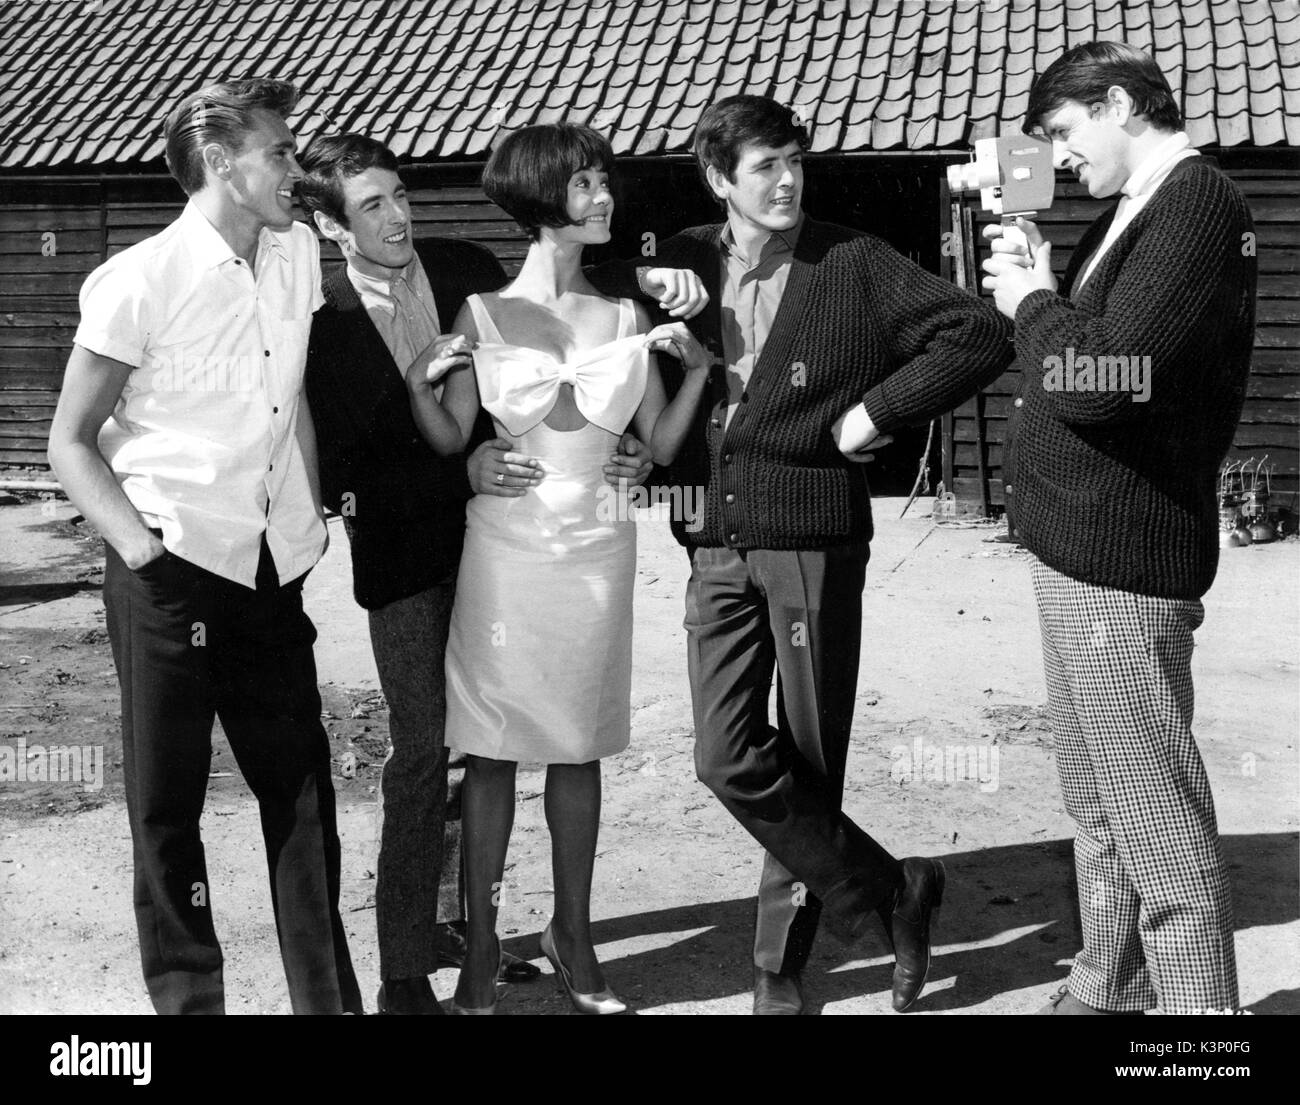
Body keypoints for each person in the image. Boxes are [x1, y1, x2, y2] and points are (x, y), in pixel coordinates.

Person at [589, 94, 1015, 1014]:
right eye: (764, 168)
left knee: (812, 758)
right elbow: (577, 321)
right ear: (718, 180)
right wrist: (624, 436)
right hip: (711, 537)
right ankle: (894, 889)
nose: (786, 183)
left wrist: (875, 415)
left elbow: (978, 331)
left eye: (795, 162)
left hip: (814, 535)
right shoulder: (675, 258)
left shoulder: (850, 261)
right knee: (726, 753)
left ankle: (779, 965)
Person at [297, 133, 651, 1012]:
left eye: (400, 195)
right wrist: (459, 471)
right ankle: (406, 961)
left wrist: (615, 446)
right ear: (332, 225)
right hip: (409, 558)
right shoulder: (318, 320)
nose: (397, 216)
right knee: (427, 752)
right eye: (372, 205)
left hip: (513, 540)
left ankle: (479, 924)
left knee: (504, 745)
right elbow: (344, 457)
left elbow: (527, 378)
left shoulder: (465, 267)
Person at [46, 79, 362, 1014]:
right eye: (279, 152)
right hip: (172, 573)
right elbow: (68, 439)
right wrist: (143, 554)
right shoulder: (137, 279)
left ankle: (326, 1001)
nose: (294, 169)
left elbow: (291, 391)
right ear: (220, 163)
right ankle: (189, 1003)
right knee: (167, 805)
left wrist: (308, 520)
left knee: (304, 792)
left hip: (270, 569)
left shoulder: (297, 254)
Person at [405, 122, 713, 1015]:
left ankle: (573, 936)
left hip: (600, 548)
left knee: (579, 747)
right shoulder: (484, 315)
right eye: (584, 185)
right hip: (506, 552)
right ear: (544, 200)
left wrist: (693, 375)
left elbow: (653, 441)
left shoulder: (626, 316)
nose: (604, 196)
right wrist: (427, 385)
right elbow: (450, 437)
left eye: (604, 181)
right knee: (493, 749)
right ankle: (480, 951)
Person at [980, 41, 1255, 1015]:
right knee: (1099, 808)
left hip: (1123, 564)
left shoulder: (1195, 204)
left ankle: (1198, 1033)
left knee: (1159, 830)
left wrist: (1030, 300)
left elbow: (1102, 382)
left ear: (1121, 103)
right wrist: (1044, 288)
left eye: (1062, 130)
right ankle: (1107, 988)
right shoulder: (1131, 212)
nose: (1056, 155)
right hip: (1076, 551)